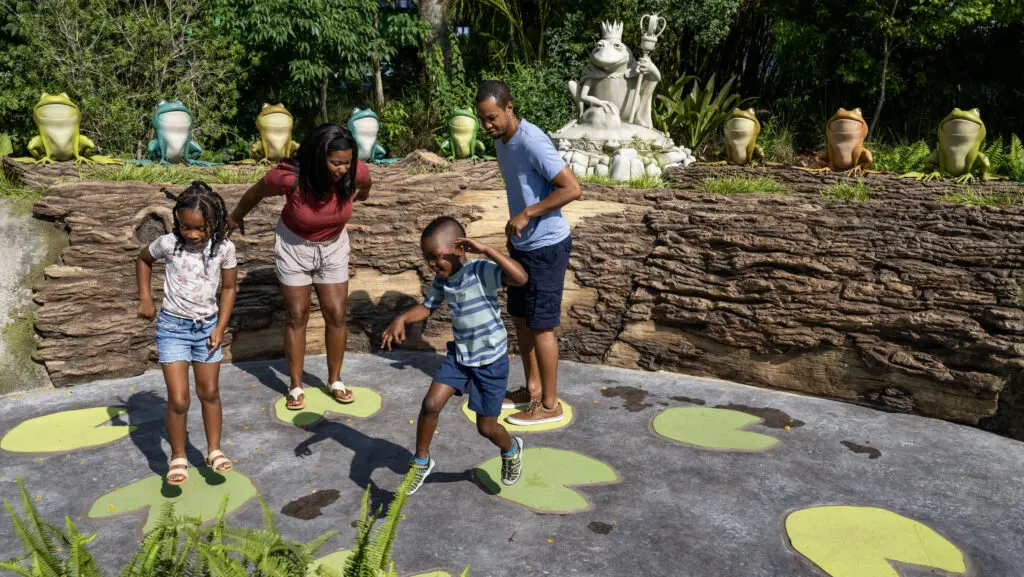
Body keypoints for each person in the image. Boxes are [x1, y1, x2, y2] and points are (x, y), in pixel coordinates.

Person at [227, 124, 371, 410]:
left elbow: (365, 187)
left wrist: (357, 196)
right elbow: (256, 192)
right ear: (318, 156)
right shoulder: (288, 177)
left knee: (337, 314)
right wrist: (236, 216)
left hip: (333, 246)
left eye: (347, 162)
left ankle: (335, 380)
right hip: (294, 246)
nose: (343, 169)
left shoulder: (356, 172)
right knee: (296, 315)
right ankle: (295, 386)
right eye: (336, 163)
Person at [381, 216, 528, 494]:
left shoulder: (480, 270)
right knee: (431, 404)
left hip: (490, 361)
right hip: (460, 356)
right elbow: (427, 307)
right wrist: (401, 319)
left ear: (460, 249)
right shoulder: (443, 279)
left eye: (437, 256)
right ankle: (421, 461)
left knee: (486, 427)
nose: (432, 264)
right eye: (427, 258)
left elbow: (520, 278)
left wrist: (487, 250)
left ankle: (511, 450)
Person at [475, 80, 582, 426]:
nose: (487, 125)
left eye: (492, 118)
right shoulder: (501, 141)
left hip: (547, 247)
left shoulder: (532, 141)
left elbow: (572, 188)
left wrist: (527, 214)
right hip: (522, 245)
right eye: (482, 119)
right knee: (521, 319)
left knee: (541, 326)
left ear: (509, 108)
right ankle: (532, 390)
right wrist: (515, 232)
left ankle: (550, 405)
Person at [136, 181, 238, 485]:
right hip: (173, 329)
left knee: (209, 392)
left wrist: (220, 327)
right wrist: (145, 298)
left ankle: (214, 450)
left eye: (199, 228)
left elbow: (229, 288)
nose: (192, 234)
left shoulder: (224, 248)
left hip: (208, 329)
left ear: (215, 222)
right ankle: (178, 456)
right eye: (185, 227)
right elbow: (143, 259)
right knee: (179, 400)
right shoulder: (169, 243)